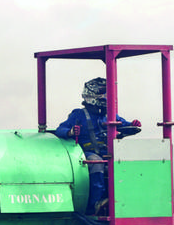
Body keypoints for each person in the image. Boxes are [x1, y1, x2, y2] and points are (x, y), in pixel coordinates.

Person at [55, 77, 141, 215]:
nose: (108, 97)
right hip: (87, 155)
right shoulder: (79, 114)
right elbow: (60, 129)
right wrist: (70, 132)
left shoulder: (110, 115)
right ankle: (95, 203)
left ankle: (125, 201)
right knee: (97, 163)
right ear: (93, 95)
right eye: (105, 93)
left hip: (108, 153)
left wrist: (133, 125)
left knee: (124, 164)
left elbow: (124, 124)